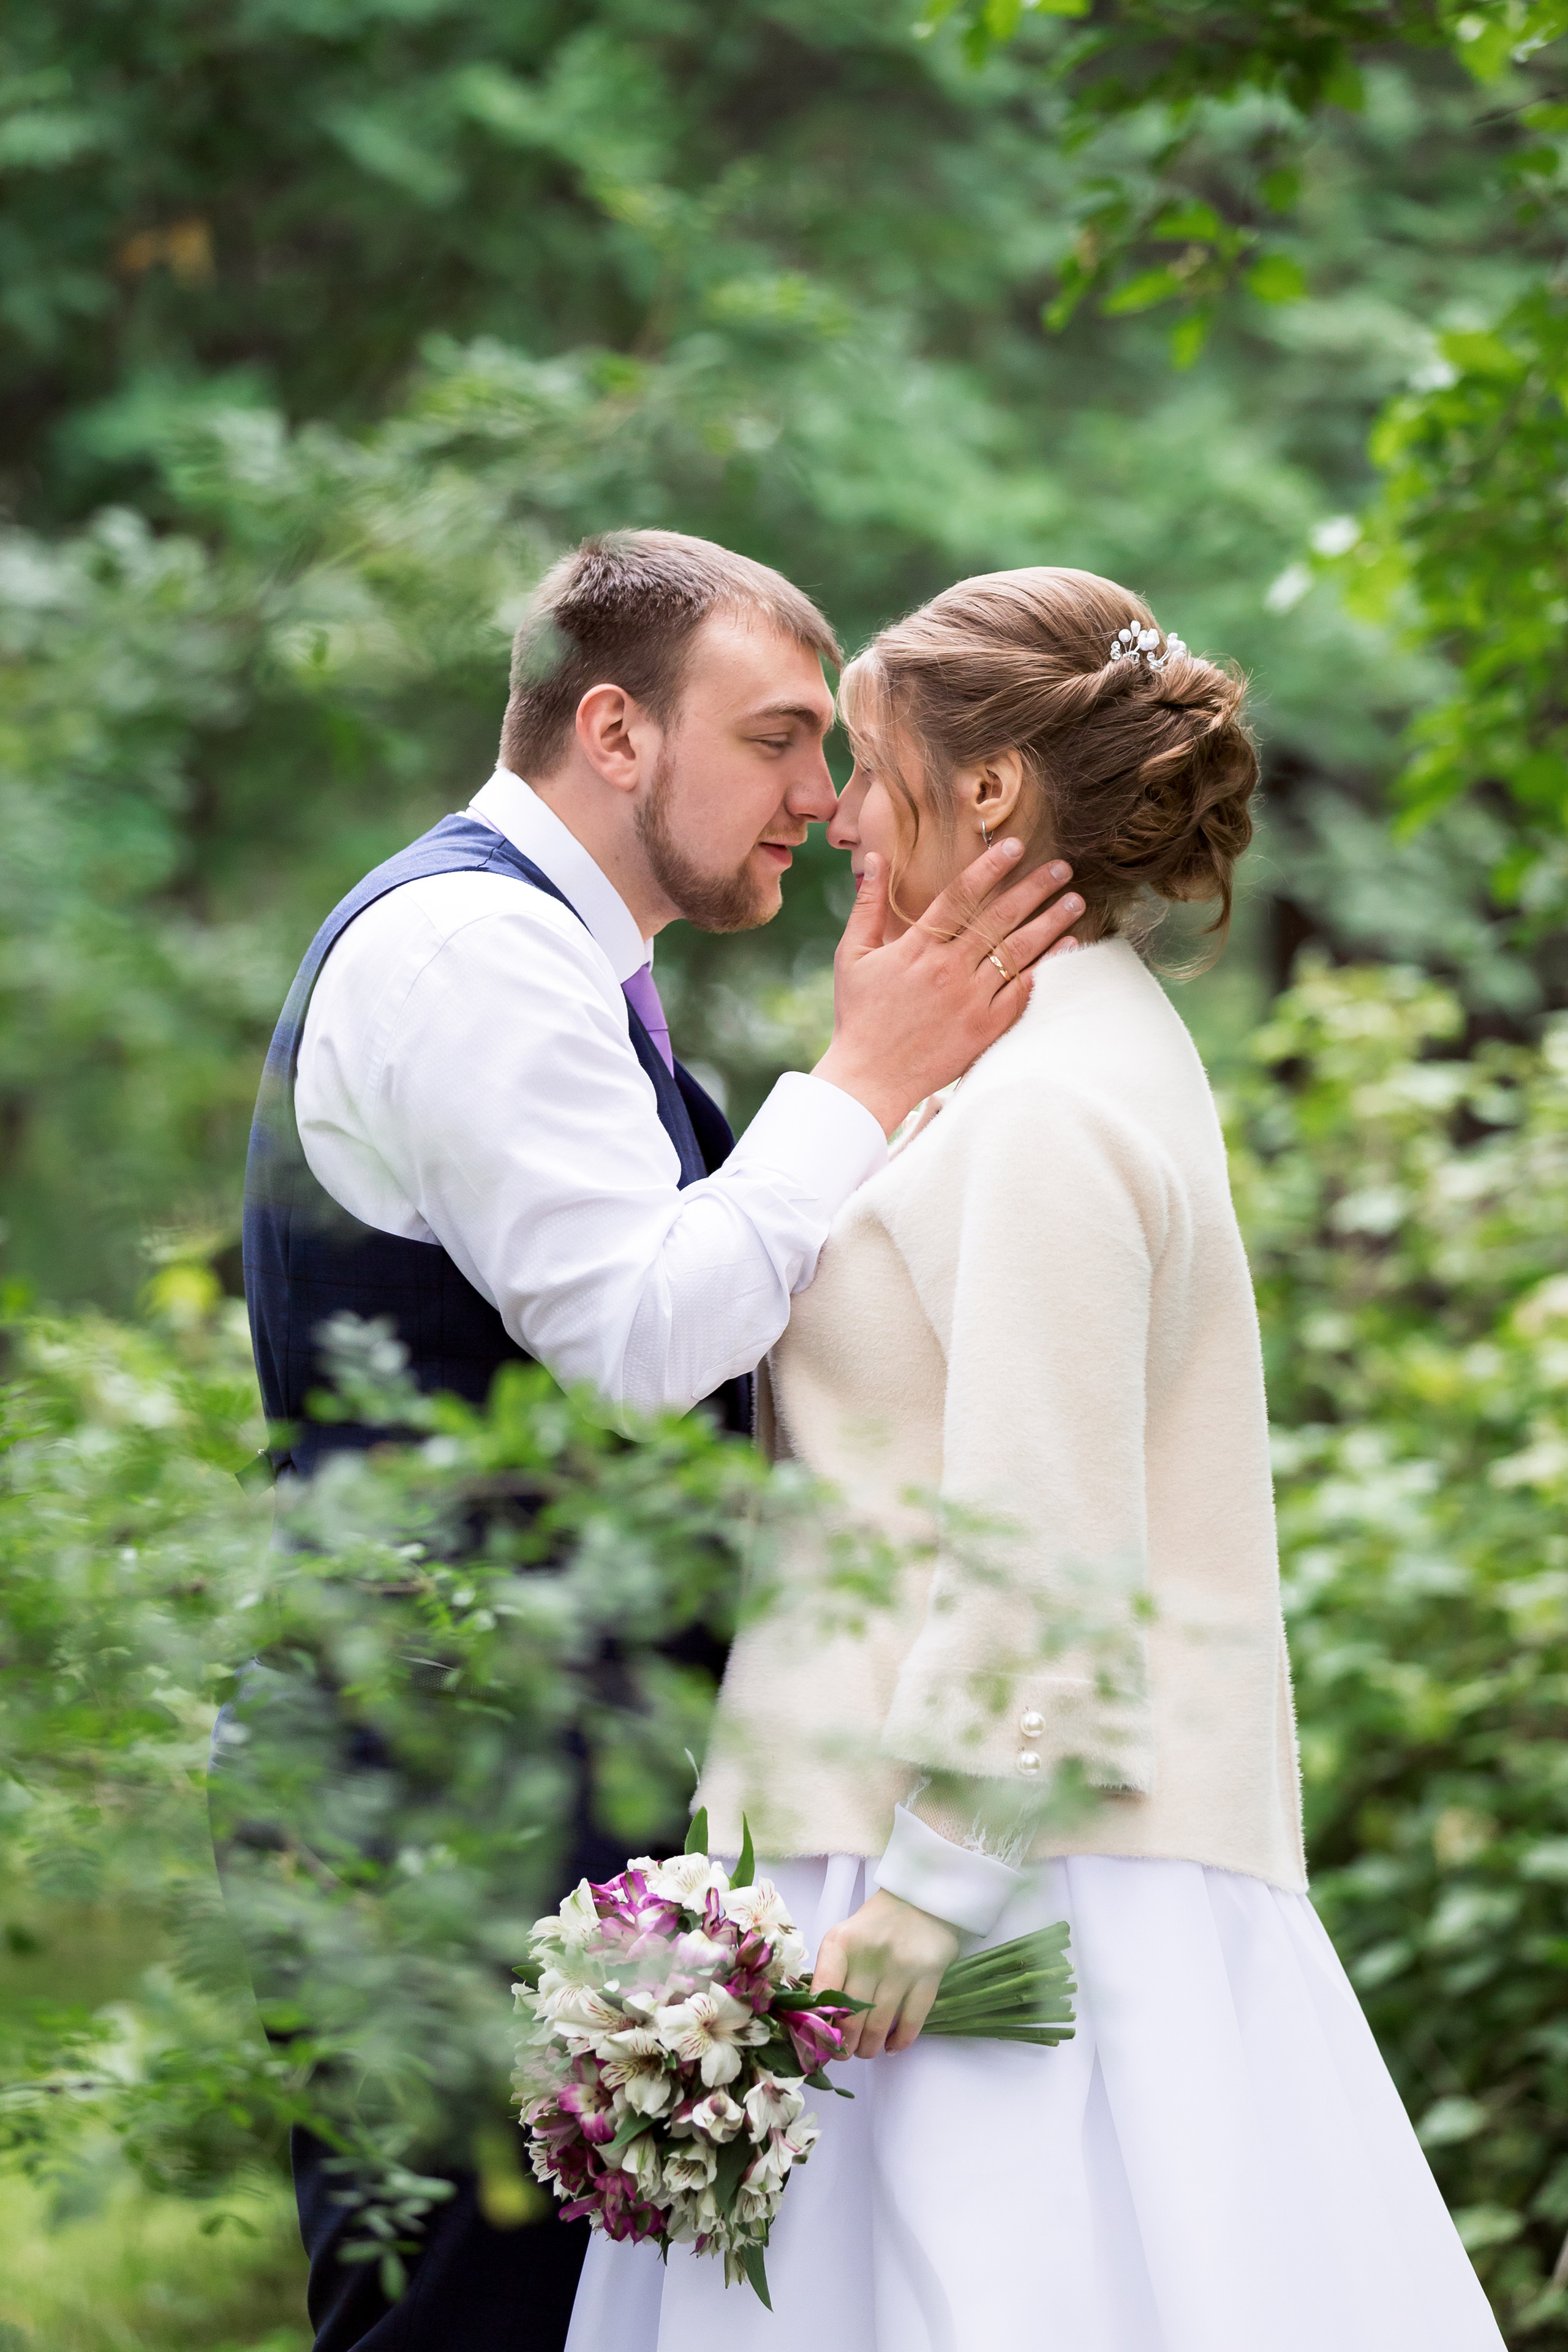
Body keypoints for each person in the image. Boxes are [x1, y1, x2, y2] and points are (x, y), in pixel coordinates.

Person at [565, 567, 1507, 2352]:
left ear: (989, 789)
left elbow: (1048, 1556)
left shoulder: (1051, 1110)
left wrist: (932, 1888)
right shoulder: (1043, 1057)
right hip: (944, 1850)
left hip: (981, 1898)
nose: (837, 812)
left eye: (863, 762)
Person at [229, 530, 1085, 2352]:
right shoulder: (471, 953)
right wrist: (859, 1083)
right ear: (613, 731)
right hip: (430, 1791)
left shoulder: (565, 968)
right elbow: (634, 1342)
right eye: (779, 739)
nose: (825, 795)